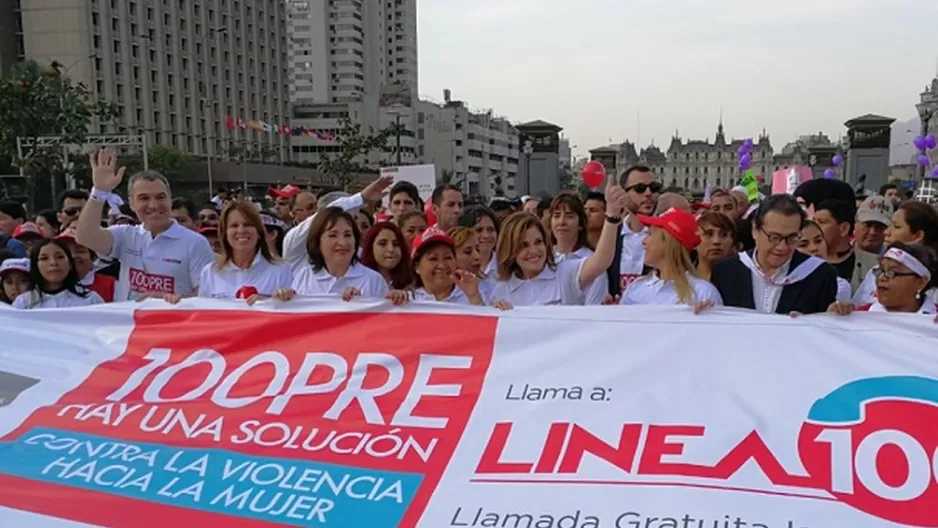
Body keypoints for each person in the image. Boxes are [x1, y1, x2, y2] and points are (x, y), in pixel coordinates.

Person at [75, 148, 216, 303]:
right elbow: (85, 237)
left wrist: (170, 300)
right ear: (132, 203)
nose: (154, 205)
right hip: (131, 324)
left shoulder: (195, 243)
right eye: (144, 198)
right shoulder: (125, 235)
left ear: (170, 200)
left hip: (174, 325)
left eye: (160, 197)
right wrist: (99, 191)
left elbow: (206, 298)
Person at [490, 176, 625, 308]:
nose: (534, 251)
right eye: (523, 245)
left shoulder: (565, 273)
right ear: (510, 250)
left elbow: (601, 261)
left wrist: (611, 217)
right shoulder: (501, 290)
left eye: (538, 242)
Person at [710, 194, 838, 315]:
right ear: (755, 230)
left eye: (792, 238)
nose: (782, 247)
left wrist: (835, 315)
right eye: (774, 237)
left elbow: (824, 330)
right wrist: (705, 313)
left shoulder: (820, 275)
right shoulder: (725, 272)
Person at [282, 175, 393, 273]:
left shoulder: (359, 256)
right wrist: (361, 198)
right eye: (333, 234)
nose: (342, 242)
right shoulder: (295, 245)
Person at [618, 208, 722, 307]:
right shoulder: (636, 287)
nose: (643, 241)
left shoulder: (703, 293)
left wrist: (707, 316)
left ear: (668, 243)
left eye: (649, 234)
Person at [198, 201, 293, 304]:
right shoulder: (210, 273)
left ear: (259, 232)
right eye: (234, 225)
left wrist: (270, 302)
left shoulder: (282, 270)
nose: (241, 230)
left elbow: (292, 313)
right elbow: (203, 315)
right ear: (224, 233)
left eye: (248, 225)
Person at [291, 207, 389, 300]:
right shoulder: (304, 278)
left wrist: (362, 305)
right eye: (333, 235)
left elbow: (386, 316)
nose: (342, 242)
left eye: (348, 235)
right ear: (317, 240)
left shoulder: (373, 280)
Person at [854, 200, 938, 305]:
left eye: (896, 227)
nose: (886, 232)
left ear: (918, 236)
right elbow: (856, 309)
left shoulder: (934, 294)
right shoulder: (874, 272)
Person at [830, 243, 936, 315]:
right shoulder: (859, 315)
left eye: (892, 272)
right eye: (880, 271)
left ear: (921, 282)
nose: (881, 278)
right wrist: (832, 317)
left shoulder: (933, 319)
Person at [606, 165, 661, 296]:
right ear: (624, 194)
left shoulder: (667, 235)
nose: (648, 193)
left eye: (654, 188)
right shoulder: (611, 235)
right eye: (640, 189)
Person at [547, 192, 608, 305]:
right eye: (556, 216)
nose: (562, 222)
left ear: (580, 224)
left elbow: (594, 308)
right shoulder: (544, 259)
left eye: (569, 216)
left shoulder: (593, 261)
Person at [12, 239, 104, 309]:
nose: (53, 263)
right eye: (44, 258)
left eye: (60, 257)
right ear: (36, 266)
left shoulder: (91, 300)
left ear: (70, 264)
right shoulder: (22, 303)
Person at [409, 228, 486, 305]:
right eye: (433, 258)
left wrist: (474, 297)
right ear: (416, 266)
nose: (442, 265)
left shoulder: (474, 296)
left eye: (447, 257)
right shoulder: (408, 301)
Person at [812, 198, 873, 290]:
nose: (814, 227)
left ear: (844, 228)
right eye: (813, 222)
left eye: (821, 222)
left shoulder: (872, 265)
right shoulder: (805, 262)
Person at [796, 220, 852, 302]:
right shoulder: (778, 282)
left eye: (818, 241)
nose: (814, 248)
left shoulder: (839, 285)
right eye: (803, 245)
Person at [56, 226, 117, 302]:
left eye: (80, 251)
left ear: (93, 258)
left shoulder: (111, 285)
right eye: (64, 252)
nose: (73, 256)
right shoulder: (46, 286)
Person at [359, 221, 414, 289]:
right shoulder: (359, 282)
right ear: (370, 247)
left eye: (396, 244)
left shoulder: (413, 281)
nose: (391, 249)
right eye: (383, 244)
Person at [457, 205, 499, 285]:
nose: (486, 235)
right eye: (479, 230)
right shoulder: (457, 268)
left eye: (491, 230)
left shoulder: (506, 267)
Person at [695, 211, 736, 281]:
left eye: (724, 235)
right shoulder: (681, 280)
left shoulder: (744, 278)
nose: (716, 241)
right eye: (709, 234)